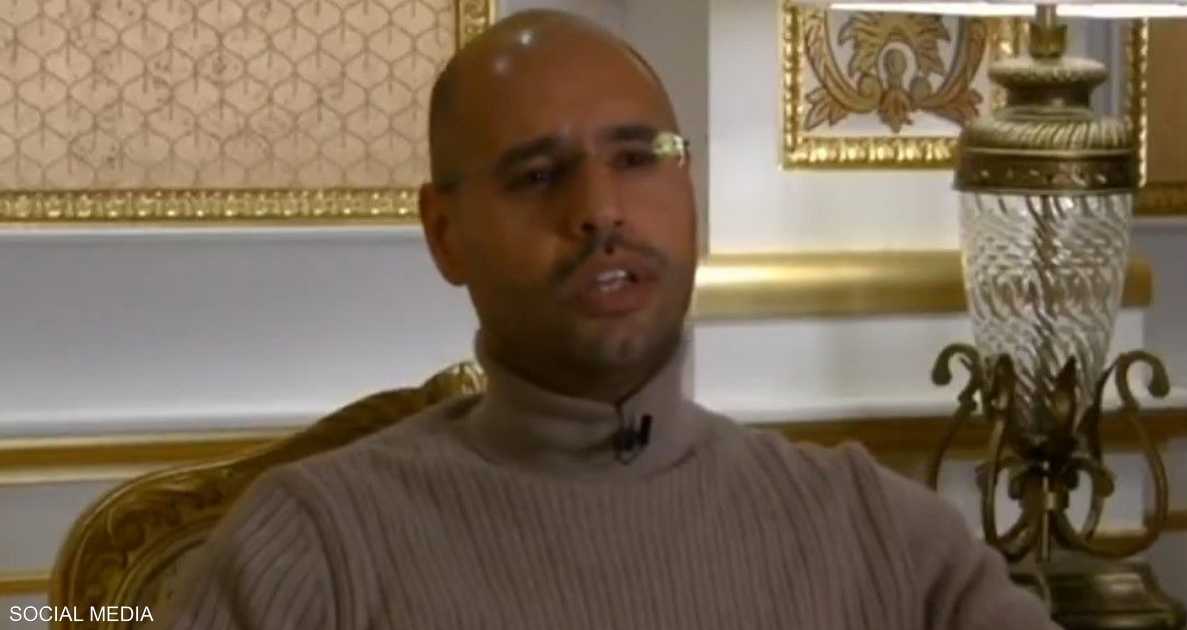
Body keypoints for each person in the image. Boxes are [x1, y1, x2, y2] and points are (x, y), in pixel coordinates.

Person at [158, 10, 1059, 630]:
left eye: (637, 157)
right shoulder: (314, 551)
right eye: (537, 175)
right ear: (445, 234)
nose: (600, 211)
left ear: (688, 184)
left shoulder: (876, 534)